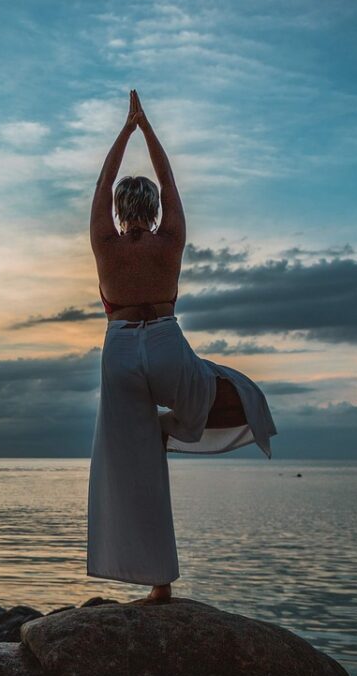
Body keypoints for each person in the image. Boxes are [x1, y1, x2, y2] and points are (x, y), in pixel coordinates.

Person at [86, 90, 277, 603]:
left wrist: (123, 131)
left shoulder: (105, 243)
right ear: (152, 209)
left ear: (121, 210)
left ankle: (157, 581)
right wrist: (147, 128)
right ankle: (178, 429)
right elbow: (168, 182)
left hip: (121, 347)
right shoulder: (169, 239)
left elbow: (103, 184)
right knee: (207, 397)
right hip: (166, 342)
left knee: (132, 463)